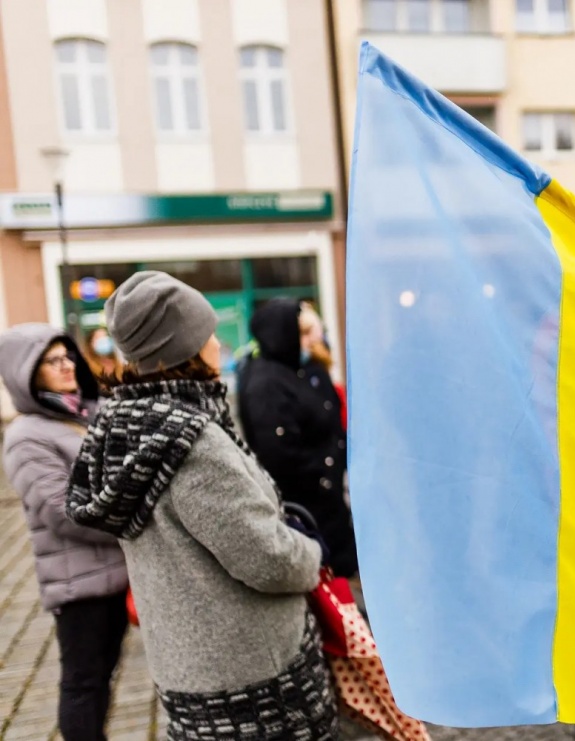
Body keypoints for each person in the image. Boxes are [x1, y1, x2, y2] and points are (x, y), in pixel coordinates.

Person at [64, 272, 338, 738]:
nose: (217, 343)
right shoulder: (191, 442)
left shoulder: (124, 425)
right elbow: (267, 559)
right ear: (184, 347)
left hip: (189, 666)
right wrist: (311, 551)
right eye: (209, 333)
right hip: (253, 674)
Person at [0, 324, 128, 741]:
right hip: (79, 588)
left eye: (67, 356)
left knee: (103, 677)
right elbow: (65, 513)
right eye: (52, 361)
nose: (67, 365)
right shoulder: (26, 436)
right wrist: (134, 518)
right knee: (83, 684)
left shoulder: (84, 413)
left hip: (114, 576)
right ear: (26, 373)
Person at [237, 299, 358, 577]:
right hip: (306, 508)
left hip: (332, 503)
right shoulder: (265, 383)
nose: (312, 340)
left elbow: (330, 420)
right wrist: (325, 472)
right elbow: (278, 452)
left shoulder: (305, 369)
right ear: (283, 336)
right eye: (302, 334)